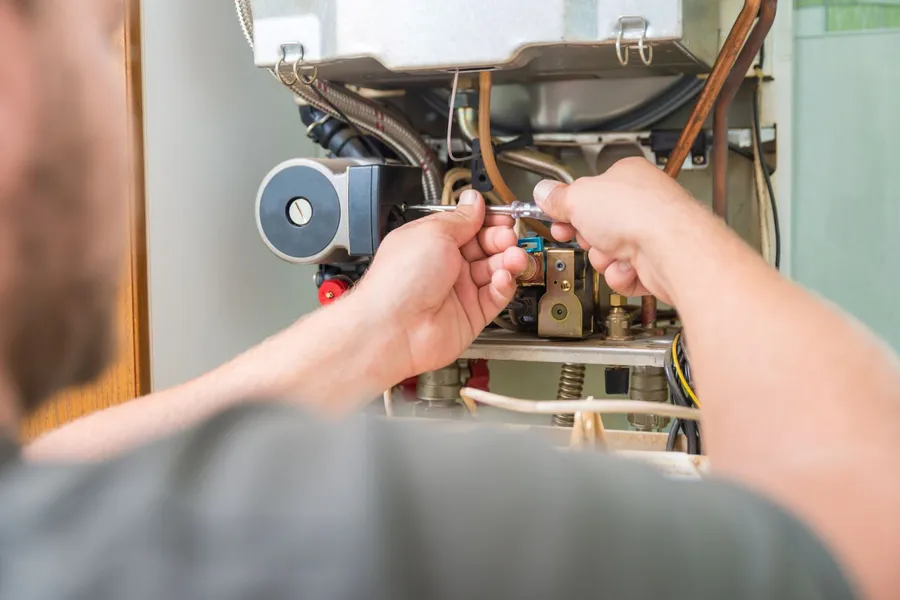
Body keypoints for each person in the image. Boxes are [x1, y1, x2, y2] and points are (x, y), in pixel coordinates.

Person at [1, 1, 898, 598]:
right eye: (96, 41)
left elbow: (64, 475)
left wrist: (376, 331)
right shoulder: (362, 520)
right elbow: (865, 542)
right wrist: (682, 241)